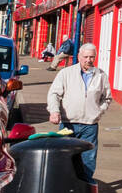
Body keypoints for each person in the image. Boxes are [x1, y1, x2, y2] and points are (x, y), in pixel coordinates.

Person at [47, 43, 111, 182]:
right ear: (79, 56)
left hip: (90, 124)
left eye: (92, 57)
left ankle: (84, 185)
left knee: (89, 157)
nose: (88, 60)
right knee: (63, 156)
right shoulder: (66, 73)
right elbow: (54, 94)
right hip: (68, 124)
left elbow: (107, 98)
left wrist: (99, 112)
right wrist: (54, 111)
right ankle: (63, 183)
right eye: (86, 56)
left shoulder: (101, 75)